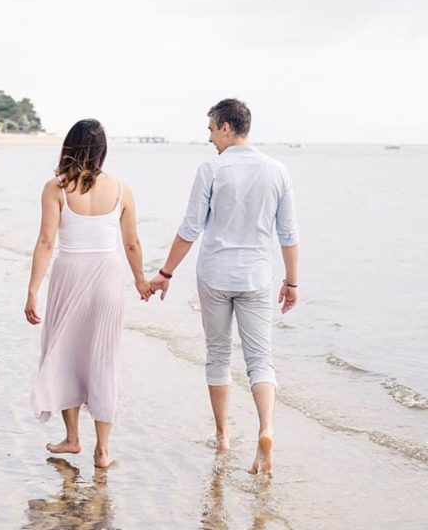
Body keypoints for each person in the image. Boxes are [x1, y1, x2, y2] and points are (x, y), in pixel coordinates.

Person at [149, 99, 299, 474]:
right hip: (257, 277)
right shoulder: (277, 170)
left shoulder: (212, 169)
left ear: (227, 128)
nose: (210, 137)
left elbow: (190, 227)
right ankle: (265, 430)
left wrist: (165, 273)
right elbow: (289, 234)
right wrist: (292, 282)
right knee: (260, 360)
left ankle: (223, 436)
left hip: (215, 275)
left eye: (212, 129)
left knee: (218, 355)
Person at [25, 118, 152, 468]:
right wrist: (141, 280)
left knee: (65, 352)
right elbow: (131, 242)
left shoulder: (57, 188)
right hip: (109, 278)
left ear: (70, 145)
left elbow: (47, 241)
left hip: (70, 274)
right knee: (103, 359)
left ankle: (72, 438)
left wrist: (33, 290)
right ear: (102, 151)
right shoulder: (123, 190)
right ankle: (103, 450)